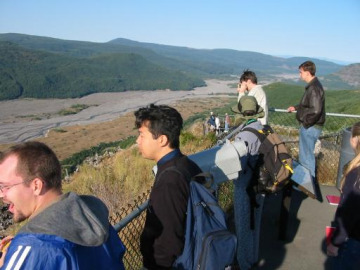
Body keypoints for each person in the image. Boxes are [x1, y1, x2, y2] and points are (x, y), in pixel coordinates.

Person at [0, 142, 125, 269]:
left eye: (5, 187)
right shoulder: (94, 220)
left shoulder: (32, 246)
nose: (1, 195)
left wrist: (12, 259)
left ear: (36, 186)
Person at [135, 104, 203, 270]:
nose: (137, 141)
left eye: (142, 135)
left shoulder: (170, 181)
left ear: (162, 139)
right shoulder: (187, 165)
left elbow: (168, 241)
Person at [232, 95, 266, 269]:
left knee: (243, 225)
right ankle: (253, 257)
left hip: (245, 187)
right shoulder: (262, 128)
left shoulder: (244, 136)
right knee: (255, 224)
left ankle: (244, 263)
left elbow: (239, 167)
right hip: (261, 184)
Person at [327, 122, 360, 269]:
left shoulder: (355, 175)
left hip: (354, 240)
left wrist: (335, 243)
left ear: (355, 139)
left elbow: (349, 212)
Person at [287, 61, 325, 185]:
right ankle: (307, 184)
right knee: (306, 156)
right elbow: (309, 104)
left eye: (301, 72)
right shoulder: (314, 86)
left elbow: (316, 110)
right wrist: (296, 107)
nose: (300, 75)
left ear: (308, 73)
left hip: (310, 127)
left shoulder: (314, 88)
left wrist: (305, 123)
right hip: (311, 126)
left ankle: (307, 186)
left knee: (306, 158)